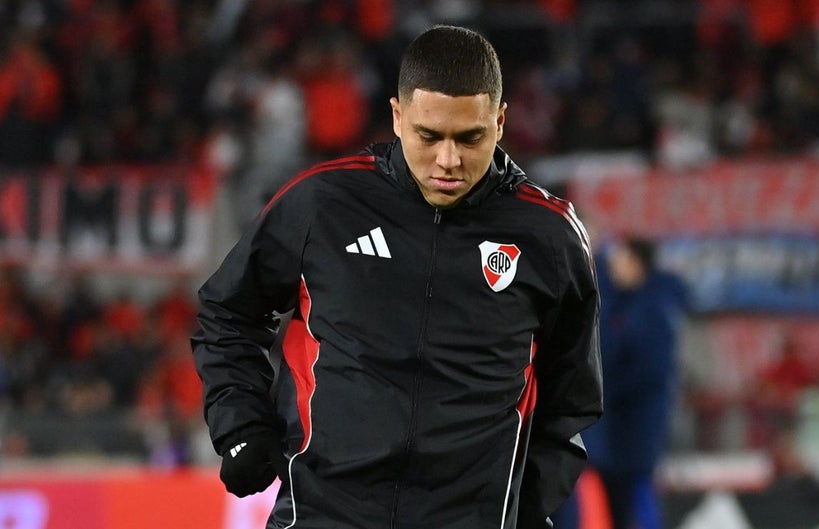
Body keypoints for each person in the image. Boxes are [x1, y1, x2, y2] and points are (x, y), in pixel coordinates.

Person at [192, 25, 603, 529]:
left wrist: (519, 509)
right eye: (429, 136)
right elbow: (226, 312)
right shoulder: (323, 204)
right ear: (397, 116)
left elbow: (569, 400)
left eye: (469, 137)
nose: (448, 160)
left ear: (499, 121)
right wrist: (240, 425)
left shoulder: (549, 237)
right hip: (323, 517)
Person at [553, 237, 686, 529]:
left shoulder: (655, 310)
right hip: (617, 422)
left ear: (638, 265)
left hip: (640, 423)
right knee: (618, 497)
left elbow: (651, 371)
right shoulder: (619, 305)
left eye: (622, 260)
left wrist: (606, 390)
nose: (614, 266)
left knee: (639, 490)